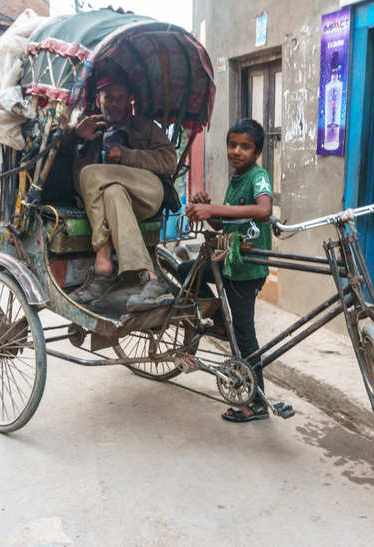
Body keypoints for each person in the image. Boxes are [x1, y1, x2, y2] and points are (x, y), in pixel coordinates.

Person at [179, 118, 273, 423]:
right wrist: (207, 206)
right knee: (185, 271)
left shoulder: (258, 177)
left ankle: (257, 403)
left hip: (246, 268)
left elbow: (263, 210)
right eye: (232, 145)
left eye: (245, 147)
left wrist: (215, 209)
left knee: (246, 336)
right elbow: (223, 223)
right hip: (227, 260)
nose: (237, 151)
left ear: (257, 152)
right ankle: (221, 321)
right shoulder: (235, 179)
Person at [68, 69, 178, 312]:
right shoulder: (88, 128)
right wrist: (75, 135)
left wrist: (127, 156)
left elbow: (170, 161)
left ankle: (103, 261)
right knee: (112, 192)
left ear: (128, 100)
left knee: (91, 174)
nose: (115, 103)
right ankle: (150, 278)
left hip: (148, 192)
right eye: (109, 97)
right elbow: (68, 174)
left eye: (120, 98)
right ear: (98, 100)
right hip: (118, 204)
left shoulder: (143, 126)